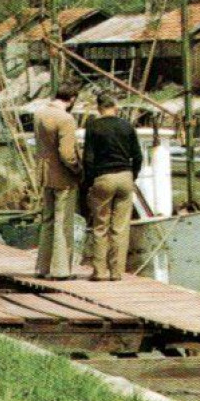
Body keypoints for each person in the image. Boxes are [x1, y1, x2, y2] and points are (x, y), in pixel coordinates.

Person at [80, 91, 142, 282]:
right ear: (115, 106)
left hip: (103, 177)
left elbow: (88, 159)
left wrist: (89, 182)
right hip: (125, 176)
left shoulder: (93, 127)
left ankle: (99, 271)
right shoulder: (127, 126)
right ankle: (116, 272)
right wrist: (133, 176)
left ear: (99, 108)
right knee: (120, 228)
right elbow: (138, 156)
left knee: (101, 226)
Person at [33, 81, 82, 279]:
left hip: (44, 172)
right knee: (63, 221)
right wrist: (77, 169)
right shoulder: (66, 119)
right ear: (71, 100)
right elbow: (67, 153)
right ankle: (61, 270)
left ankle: (42, 267)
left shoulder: (39, 113)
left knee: (48, 220)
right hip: (62, 175)